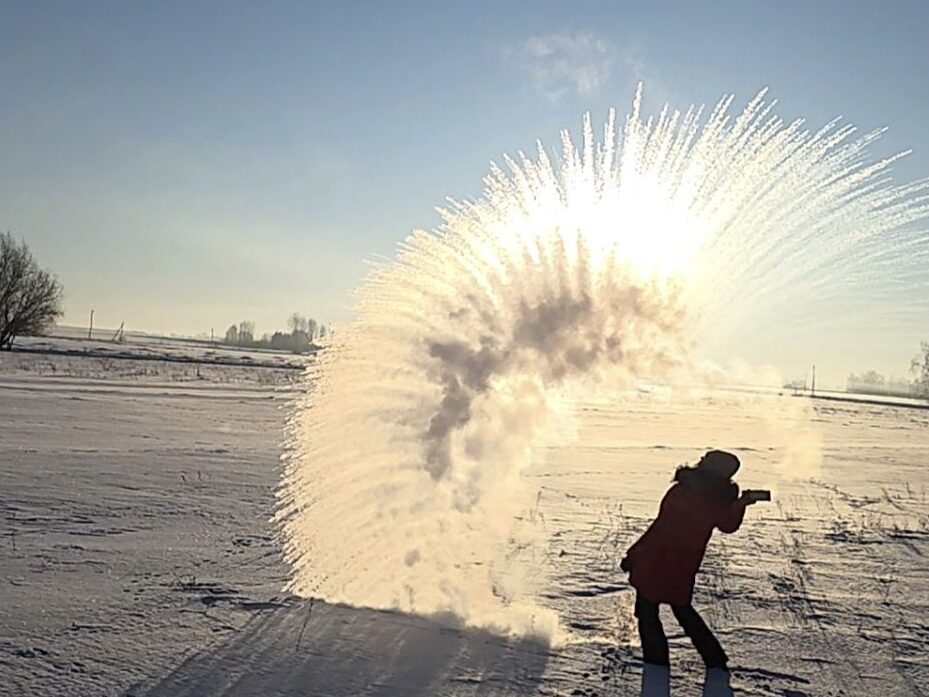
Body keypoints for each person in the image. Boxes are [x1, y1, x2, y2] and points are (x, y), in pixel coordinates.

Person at [620, 450, 763, 690]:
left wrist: (635, 553)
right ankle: (714, 659)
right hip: (682, 562)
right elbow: (727, 525)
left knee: (650, 610)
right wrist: (739, 505)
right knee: (680, 609)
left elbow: (661, 526)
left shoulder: (686, 489)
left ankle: (657, 664)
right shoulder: (718, 498)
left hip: (660, 558)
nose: (701, 460)